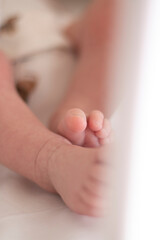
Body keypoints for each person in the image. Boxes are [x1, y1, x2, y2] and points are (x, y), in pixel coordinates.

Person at [0, 0, 114, 217]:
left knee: (118, 8)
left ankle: (79, 115)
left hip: (61, 42)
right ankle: (52, 158)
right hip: (14, 130)